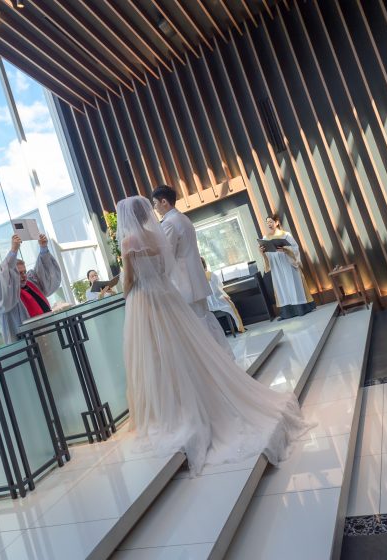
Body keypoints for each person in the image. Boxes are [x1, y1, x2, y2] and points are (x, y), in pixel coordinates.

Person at [118, 196, 307, 475]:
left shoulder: (129, 242)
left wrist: (127, 292)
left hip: (144, 299)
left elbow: (128, 279)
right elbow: (165, 268)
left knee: (155, 353)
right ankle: (191, 399)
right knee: (184, 348)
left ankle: (171, 408)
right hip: (168, 297)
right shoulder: (156, 236)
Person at [152, 185, 234, 358]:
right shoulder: (183, 218)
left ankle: (212, 360)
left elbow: (167, 256)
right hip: (195, 279)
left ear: (164, 202)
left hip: (183, 282)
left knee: (196, 326)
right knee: (206, 320)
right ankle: (223, 356)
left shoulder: (169, 223)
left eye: (155, 203)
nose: (155, 208)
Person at [0, 233, 62, 344]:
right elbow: (3, 274)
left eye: (24, 272)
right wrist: (13, 251)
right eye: (19, 273)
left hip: (49, 334)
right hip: (28, 342)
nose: (24, 276)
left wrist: (43, 248)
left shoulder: (31, 283)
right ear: (11, 275)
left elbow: (44, 271)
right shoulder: (6, 295)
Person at [259, 214, 315, 321]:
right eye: (267, 222)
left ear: (276, 222)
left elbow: (295, 247)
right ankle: (287, 313)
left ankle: (301, 309)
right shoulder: (265, 238)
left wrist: (285, 249)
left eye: (271, 222)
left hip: (288, 262)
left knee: (293, 284)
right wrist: (262, 252)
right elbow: (266, 253)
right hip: (276, 266)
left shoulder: (285, 235)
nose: (269, 224)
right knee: (282, 287)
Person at [201, 257, 245, 333]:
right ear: (205, 265)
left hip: (208, 306)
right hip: (218, 302)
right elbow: (219, 288)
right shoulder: (211, 274)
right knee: (232, 306)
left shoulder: (197, 278)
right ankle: (240, 328)